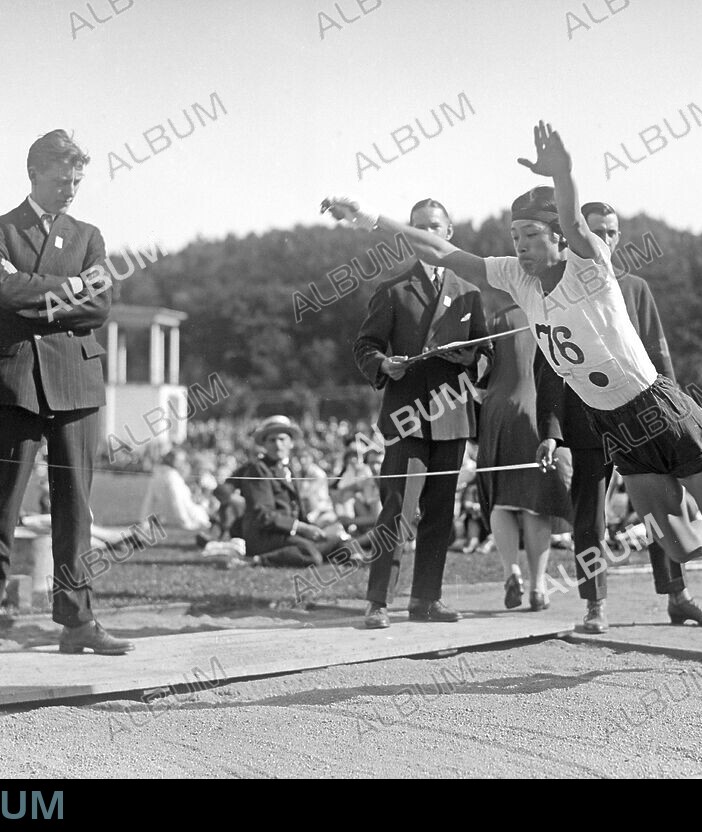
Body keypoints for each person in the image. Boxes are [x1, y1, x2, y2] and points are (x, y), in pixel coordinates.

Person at [323, 122, 702, 584]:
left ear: (559, 236)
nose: (520, 246)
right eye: (515, 236)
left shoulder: (589, 267)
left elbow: (576, 221)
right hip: (616, 427)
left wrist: (561, 173)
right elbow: (438, 251)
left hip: (659, 411)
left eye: (531, 236)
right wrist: (370, 218)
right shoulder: (516, 278)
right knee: (682, 547)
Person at [0, 130, 131, 668]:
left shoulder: (90, 234)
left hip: (76, 380)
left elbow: (100, 308)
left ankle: (78, 620)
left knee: (76, 510)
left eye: (77, 180)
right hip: (16, 381)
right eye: (60, 180)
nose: (70, 190)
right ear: (34, 176)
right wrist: (69, 288)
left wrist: (37, 290)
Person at [535, 198, 702, 632]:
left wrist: (678, 412)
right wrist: (549, 429)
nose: (603, 239)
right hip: (586, 420)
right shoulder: (555, 288)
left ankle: (678, 596)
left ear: (618, 238)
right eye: (594, 230)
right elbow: (547, 363)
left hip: (643, 420)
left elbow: (659, 355)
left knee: (662, 510)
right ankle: (594, 605)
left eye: (610, 232)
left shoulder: (636, 288)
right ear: (573, 233)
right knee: (590, 518)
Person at [351, 198, 491, 629]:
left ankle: (427, 599)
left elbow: (487, 353)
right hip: (406, 415)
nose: (426, 234)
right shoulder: (393, 289)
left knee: (441, 512)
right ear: (407, 234)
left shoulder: (469, 292)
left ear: (449, 234)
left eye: (434, 227)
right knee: (397, 510)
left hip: (451, 418)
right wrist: (383, 365)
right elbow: (365, 347)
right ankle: (379, 601)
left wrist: (470, 360)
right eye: (417, 227)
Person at [478, 291, 571, 612]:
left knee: (501, 498)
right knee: (536, 505)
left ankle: (510, 571)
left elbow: (481, 371)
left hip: (498, 411)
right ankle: (539, 587)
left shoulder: (500, 318)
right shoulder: (555, 314)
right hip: (538, 411)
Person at [228, 416, 349, 568]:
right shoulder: (258, 469)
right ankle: (257, 561)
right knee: (311, 555)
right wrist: (303, 528)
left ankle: (357, 559)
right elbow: (263, 515)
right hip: (266, 536)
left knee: (337, 539)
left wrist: (313, 528)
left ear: (291, 443)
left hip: (289, 533)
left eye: (282, 439)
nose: (277, 445)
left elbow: (297, 509)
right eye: (272, 440)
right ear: (264, 444)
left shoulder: (288, 468)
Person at [139, 448, 213, 531]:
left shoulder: (158, 474)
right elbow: (177, 502)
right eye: (181, 461)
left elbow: (148, 500)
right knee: (206, 506)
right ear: (174, 461)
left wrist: (143, 520)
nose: (183, 463)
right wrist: (186, 523)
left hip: (168, 515)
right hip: (188, 515)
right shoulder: (173, 477)